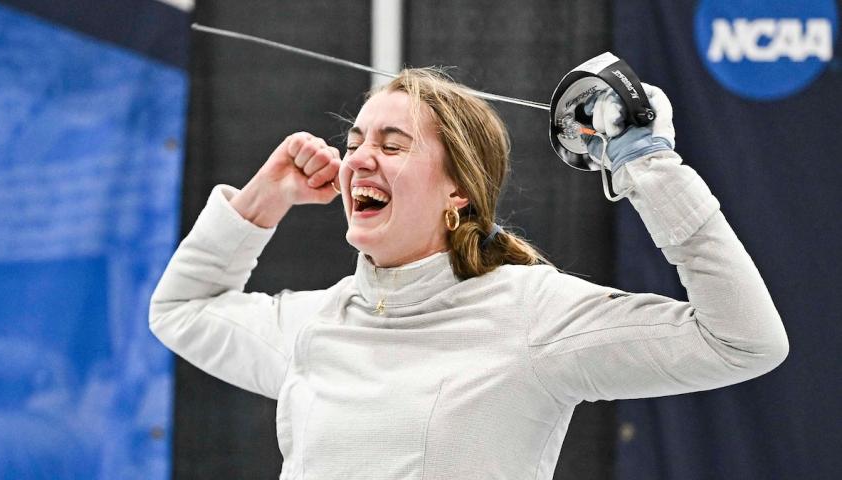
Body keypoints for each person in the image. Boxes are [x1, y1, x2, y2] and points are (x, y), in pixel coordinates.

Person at [149, 68, 788, 479]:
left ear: (458, 189)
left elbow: (742, 341)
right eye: (355, 143)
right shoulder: (317, 323)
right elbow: (180, 312)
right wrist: (263, 199)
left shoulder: (530, 314)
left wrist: (650, 167)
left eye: (392, 144)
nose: (359, 159)